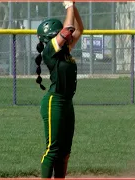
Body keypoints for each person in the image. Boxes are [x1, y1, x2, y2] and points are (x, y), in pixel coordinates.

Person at [35, 1, 84, 178]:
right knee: (53, 150)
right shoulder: (50, 50)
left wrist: (74, 6)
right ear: (52, 37)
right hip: (53, 101)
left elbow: (79, 29)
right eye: (62, 34)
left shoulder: (65, 50)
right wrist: (68, 6)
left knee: (64, 152)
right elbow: (69, 28)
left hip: (67, 103)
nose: (70, 36)